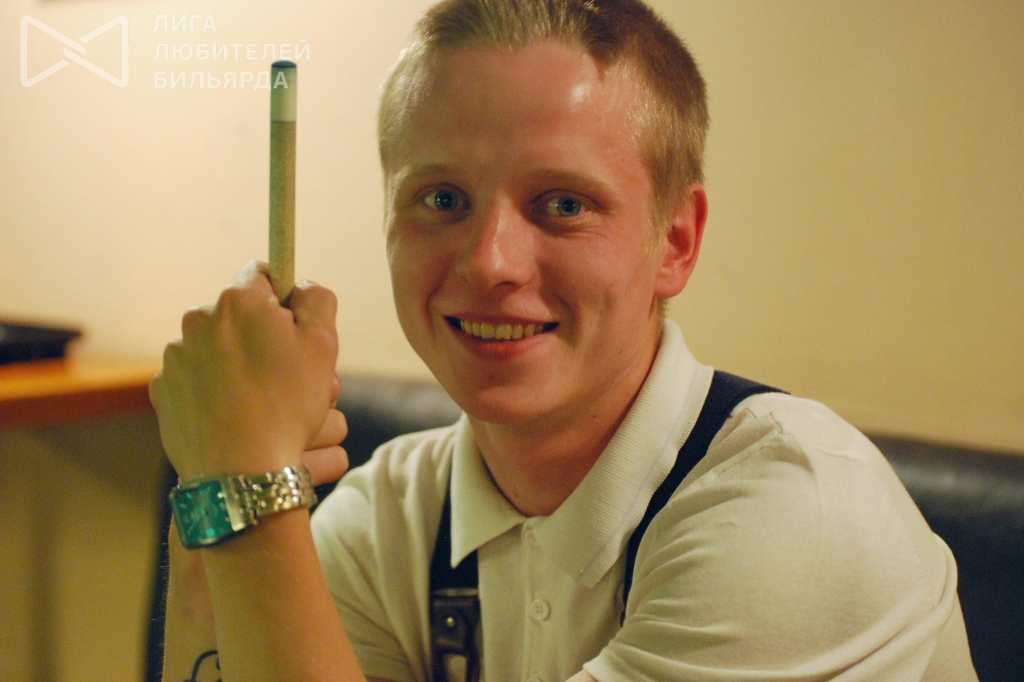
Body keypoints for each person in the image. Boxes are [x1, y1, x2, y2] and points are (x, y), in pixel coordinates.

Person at [149, 1, 978, 681]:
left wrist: (245, 482)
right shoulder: (392, 518)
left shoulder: (795, 511)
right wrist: (211, 484)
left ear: (676, 242)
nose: (490, 262)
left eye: (564, 205)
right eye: (443, 200)